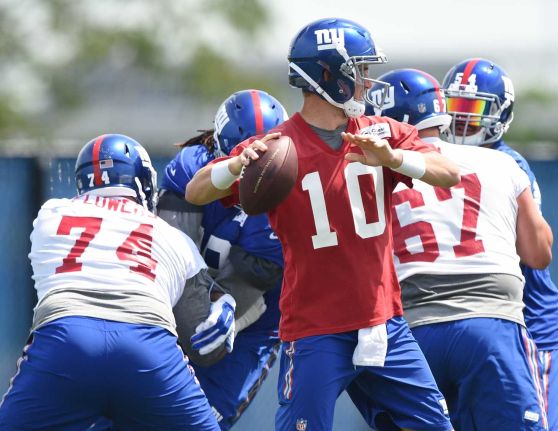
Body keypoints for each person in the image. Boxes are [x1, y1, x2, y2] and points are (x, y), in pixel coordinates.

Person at [185, 18, 460, 431]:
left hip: (384, 322)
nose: (367, 82)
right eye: (359, 71)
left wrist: (394, 159)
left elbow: (448, 172)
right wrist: (235, 166)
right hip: (316, 330)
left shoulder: (380, 134)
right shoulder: (276, 148)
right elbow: (196, 191)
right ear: (328, 75)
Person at [350, 68, 554, 430]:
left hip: (412, 332)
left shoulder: (367, 172)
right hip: (490, 326)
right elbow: (538, 254)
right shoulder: (502, 162)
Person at [0, 134, 229, 430]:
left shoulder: (50, 214)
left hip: (67, 341)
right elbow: (199, 336)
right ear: (141, 182)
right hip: (146, 347)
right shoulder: (173, 237)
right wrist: (224, 301)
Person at [442, 57, 558, 430]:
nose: (463, 120)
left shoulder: (508, 164)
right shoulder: (433, 158)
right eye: (455, 107)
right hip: (470, 320)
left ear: (500, 113)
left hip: (528, 320)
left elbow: (537, 253)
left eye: (474, 108)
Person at [158, 89, 288, 429]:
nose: (256, 174)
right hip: (177, 301)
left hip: (252, 321)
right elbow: (171, 254)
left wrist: (225, 307)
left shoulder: (284, 205)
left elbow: (249, 283)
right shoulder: (192, 168)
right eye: (248, 160)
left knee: (201, 421)